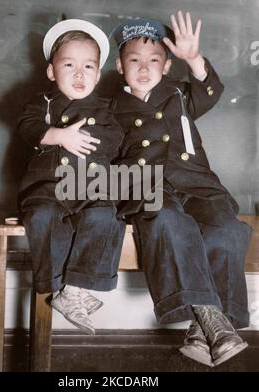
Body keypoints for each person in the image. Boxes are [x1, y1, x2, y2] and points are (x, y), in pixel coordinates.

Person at [111, 11, 252, 366]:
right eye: (135, 60)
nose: (145, 68)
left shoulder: (180, 96)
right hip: (148, 189)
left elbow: (210, 89)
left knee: (227, 228)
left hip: (198, 186)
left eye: (154, 60)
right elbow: (97, 158)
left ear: (168, 66)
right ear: (118, 66)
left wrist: (195, 60)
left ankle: (205, 328)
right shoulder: (110, 110)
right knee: (169, 222)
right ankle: (211, 318)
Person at [18, 19, 125, 335]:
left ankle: (76, 287)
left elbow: (116, 137)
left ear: (98, 73)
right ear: (51, 72)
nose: (80, 73)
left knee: (107, 216)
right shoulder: (43, 103)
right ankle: (59, 286)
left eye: (89, 66)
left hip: (89, 186)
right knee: (42, 215)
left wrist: (91, 137)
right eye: (69, 64)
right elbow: (27, 126)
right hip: (47, 185)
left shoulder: (106, 108)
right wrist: (57, 135)